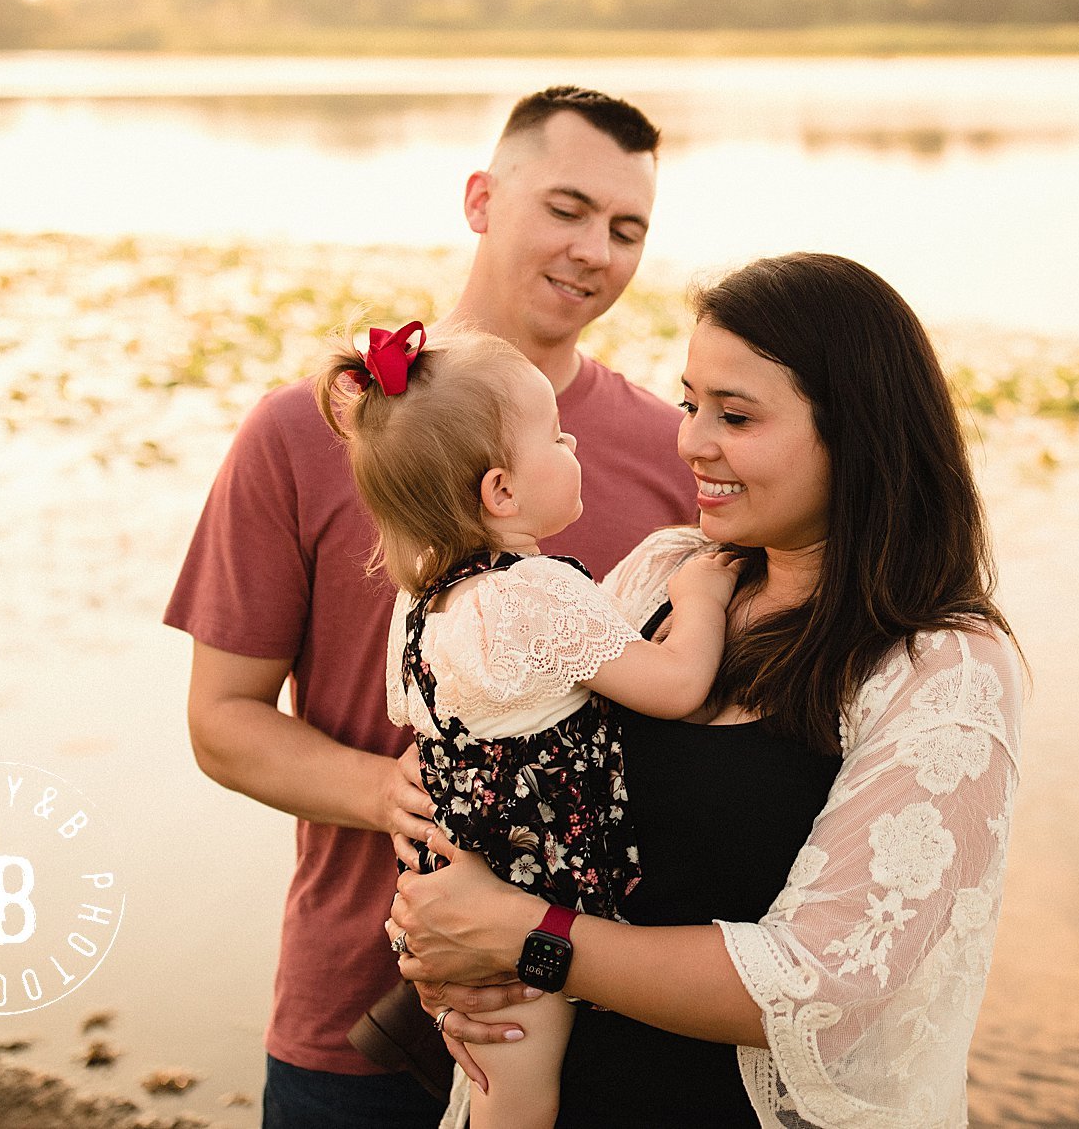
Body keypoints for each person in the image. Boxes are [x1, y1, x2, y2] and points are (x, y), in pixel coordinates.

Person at [389, 252, 1026, 1129]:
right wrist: (438, 897)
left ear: (860, 434)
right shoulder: (667, 570)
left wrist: (529, 938)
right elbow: (505, 735)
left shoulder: (939, 670)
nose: (690, 440)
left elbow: (819, 985)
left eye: (735, 415)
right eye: (690, 403)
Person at [167, 87, 695, 1128]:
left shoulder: (666, 449)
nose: (595, 250)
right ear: (480, 200)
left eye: (626, 228)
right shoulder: (306, 431)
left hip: (600, 1011)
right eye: (567, 208)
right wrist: (390, 792)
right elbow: (220, 722)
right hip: (354, 1022)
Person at [311, 321, 743, 1128]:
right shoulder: (534, 592)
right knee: (521, 1100)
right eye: (556, 434)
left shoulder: (423, 603)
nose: (574, 441)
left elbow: (434, 729)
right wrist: (702, 598)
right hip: (536, 884)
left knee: (496, 1087)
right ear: (502, 491)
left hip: (461, 875)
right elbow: (677, 684)